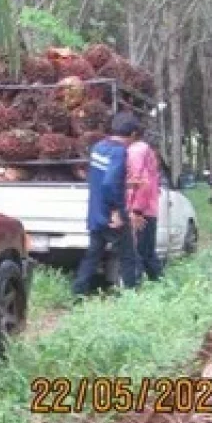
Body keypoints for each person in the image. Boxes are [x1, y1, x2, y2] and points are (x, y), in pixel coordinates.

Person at [72, 112, 140, 296]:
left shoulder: (98, 147)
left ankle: (78, 292)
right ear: (133, 134)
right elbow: (110, 183)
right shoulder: (119, 152)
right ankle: (132, 295)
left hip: (96, 211)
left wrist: (125, 184)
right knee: (128, 255)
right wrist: (117, 211)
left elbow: (100, 177)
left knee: (93, 255)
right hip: (111, 213)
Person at [126, 128, 163, 283]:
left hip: (142, 211)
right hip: (149, 210)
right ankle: (160, 284)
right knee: (147, 253)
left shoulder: (138, 151)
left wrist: (136, 210)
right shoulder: (150, 157)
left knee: (139, 253)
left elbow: (143, 184)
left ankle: (138, 289)